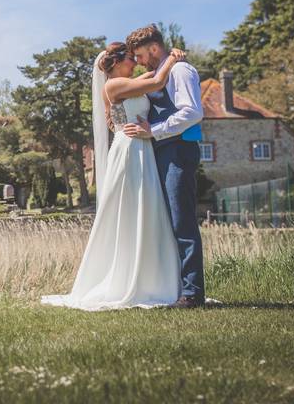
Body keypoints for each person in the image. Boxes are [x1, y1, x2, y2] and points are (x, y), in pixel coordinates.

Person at [41, 42, 185, 311]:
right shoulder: (113, 86)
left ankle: (154, 277)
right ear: (117, 62)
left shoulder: (126, 81)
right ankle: (129, 278)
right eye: (131, 58)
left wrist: (161, 63)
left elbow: (151, 77)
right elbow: (156, 82)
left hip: (140, 144)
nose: (135, 62)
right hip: (130, 148)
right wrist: (173, 58)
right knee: (134, 205)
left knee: (148, 206)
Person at [124, 24, 205, 308]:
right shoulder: (160, 74)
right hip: (162, 152)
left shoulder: (181, 71)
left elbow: (192, 112)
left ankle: (193, 293)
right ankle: (175, 287)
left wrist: (154, 130)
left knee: (182, 221)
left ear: (154, 48)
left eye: (140, 55)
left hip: (179, 151)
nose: (138, 62)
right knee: (167, 221)